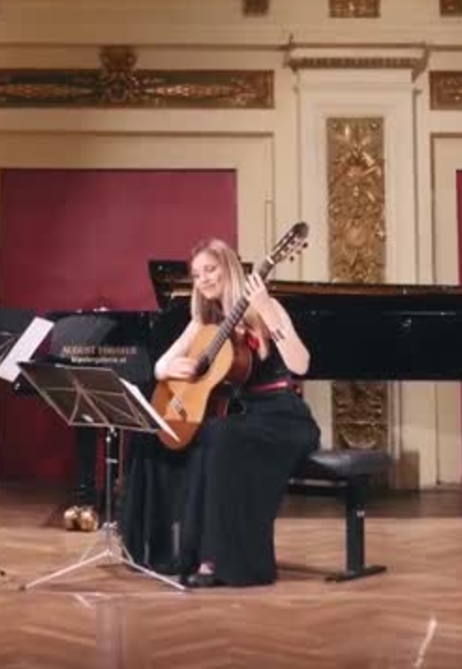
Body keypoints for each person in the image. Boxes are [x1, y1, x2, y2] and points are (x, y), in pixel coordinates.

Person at [120, 238, 321, 588]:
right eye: (197, 275)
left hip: (283, 416)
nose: (204, 280)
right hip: (242, 415)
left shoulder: (266, 306)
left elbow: (301, 364)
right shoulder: (204, 320)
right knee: (155, 434)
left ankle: (219, 560)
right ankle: (161, 550)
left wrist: (266, 310)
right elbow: (160, 366)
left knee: (218, 435)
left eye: (210, 270)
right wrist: (171, 368)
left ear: (228, 268)